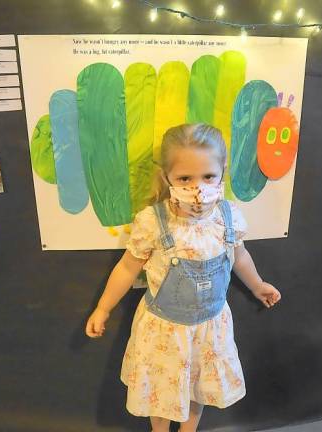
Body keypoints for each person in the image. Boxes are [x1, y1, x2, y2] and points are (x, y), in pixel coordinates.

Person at [85, 123, 281, 432]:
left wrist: (257, 285)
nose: (197, 188)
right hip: (165, 328)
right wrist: (103, 307)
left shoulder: (228, 217)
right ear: (167, 178)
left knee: (198, 386)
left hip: (209, 328)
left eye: (208, 176)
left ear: (222, 174)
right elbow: (127, 267)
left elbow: (238, 256)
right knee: (162, 392)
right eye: (185, 178)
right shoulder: (154, 222)